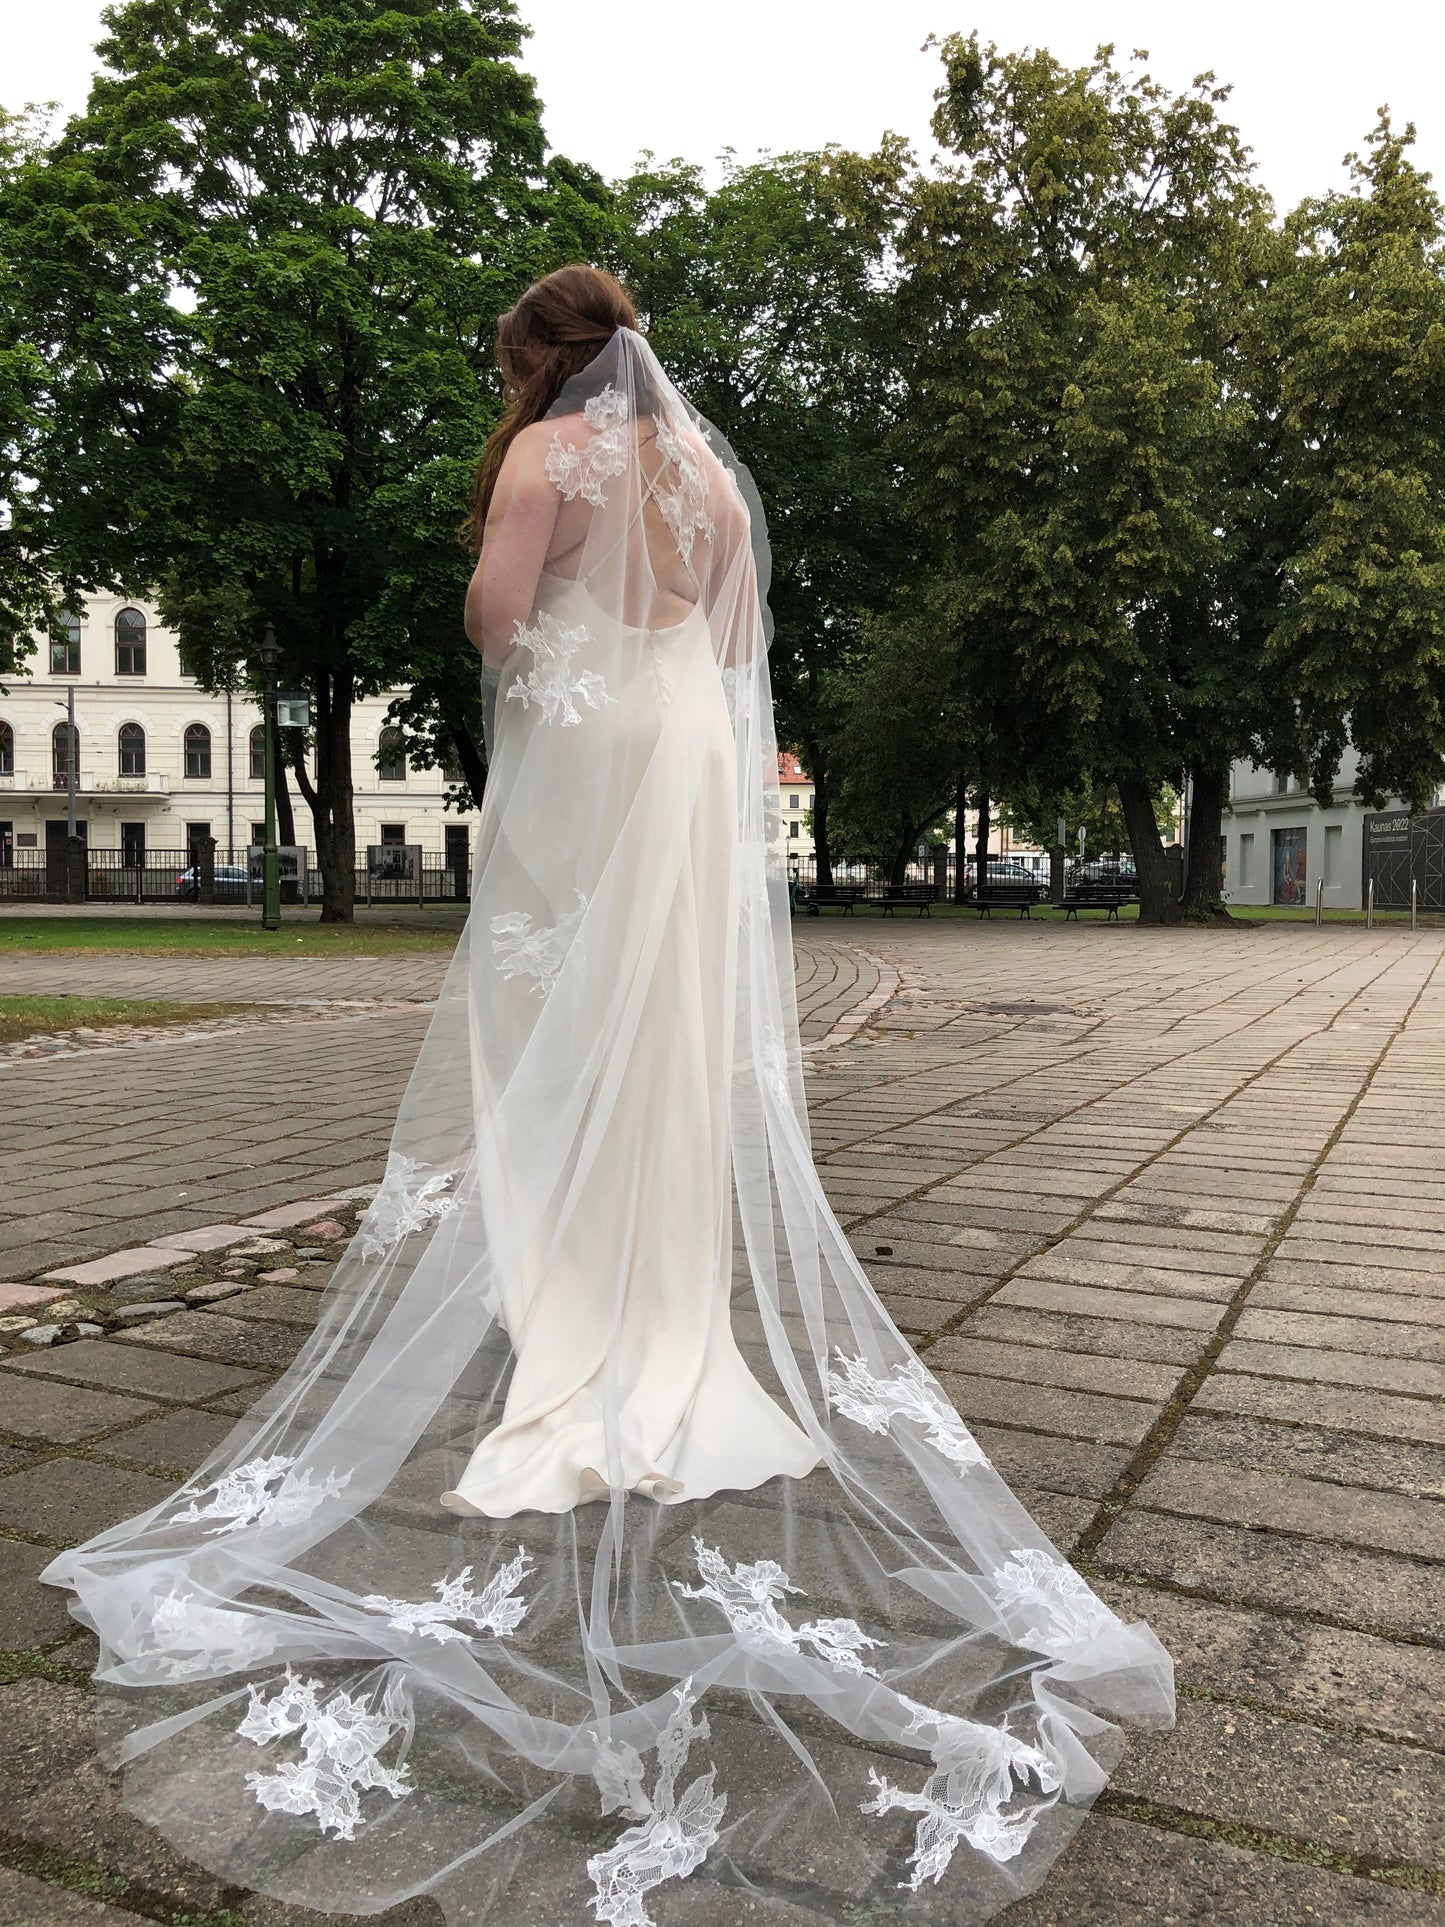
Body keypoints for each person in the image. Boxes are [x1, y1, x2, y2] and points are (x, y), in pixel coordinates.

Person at [42, 266, 1173, 1927]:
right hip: (687, 755)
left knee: (539, 1033)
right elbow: (734, 641)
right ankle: (667, 1327)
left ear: (534, 355)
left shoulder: (544, 460)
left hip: (580, 753)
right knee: (662, 1045)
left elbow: (499, 617)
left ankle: (568, 1312)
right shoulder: (705, 470)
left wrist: (544, 657)